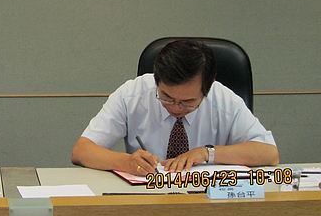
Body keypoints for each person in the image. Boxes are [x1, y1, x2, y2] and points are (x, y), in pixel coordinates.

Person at [71, 39, 279, 175]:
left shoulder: (224, 100)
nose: (176, 108)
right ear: (157, 81)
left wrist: (207, 153)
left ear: (207, 89)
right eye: (167, 98)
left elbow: (269, 153)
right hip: (146, 199)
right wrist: (125, 162)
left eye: (188, 102)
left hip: (208, 201)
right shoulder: (132, 95)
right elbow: (82, 151)